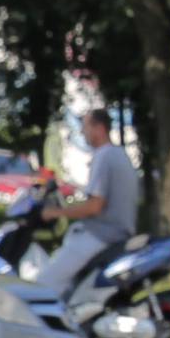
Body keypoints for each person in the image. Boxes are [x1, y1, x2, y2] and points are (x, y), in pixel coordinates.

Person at [41, 109, 141, 299]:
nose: (82, 133)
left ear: (99, 128)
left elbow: (94, 206)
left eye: (85, 127)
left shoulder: (103, 157)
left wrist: (55, 212)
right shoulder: (120, 155)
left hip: (100, 234)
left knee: (46, 282)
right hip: (120, 233)